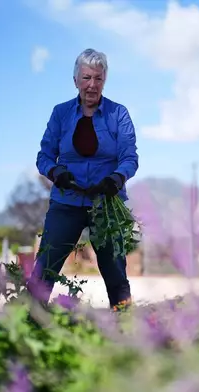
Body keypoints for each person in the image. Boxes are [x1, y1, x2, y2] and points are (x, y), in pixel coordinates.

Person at [29, 48, 139, 309]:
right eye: (87, 77)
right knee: (45, 267)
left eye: (98, 78)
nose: (92, 85)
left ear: (104, 80)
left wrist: (115, 179)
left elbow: (129, 158)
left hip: (107, 204)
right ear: (76, 80)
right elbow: (44, 156)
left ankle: (126, 329)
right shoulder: (61, 113)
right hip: (67, 201)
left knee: (115, 273)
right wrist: (57, 173)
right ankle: (29, 325)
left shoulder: (118, 114)